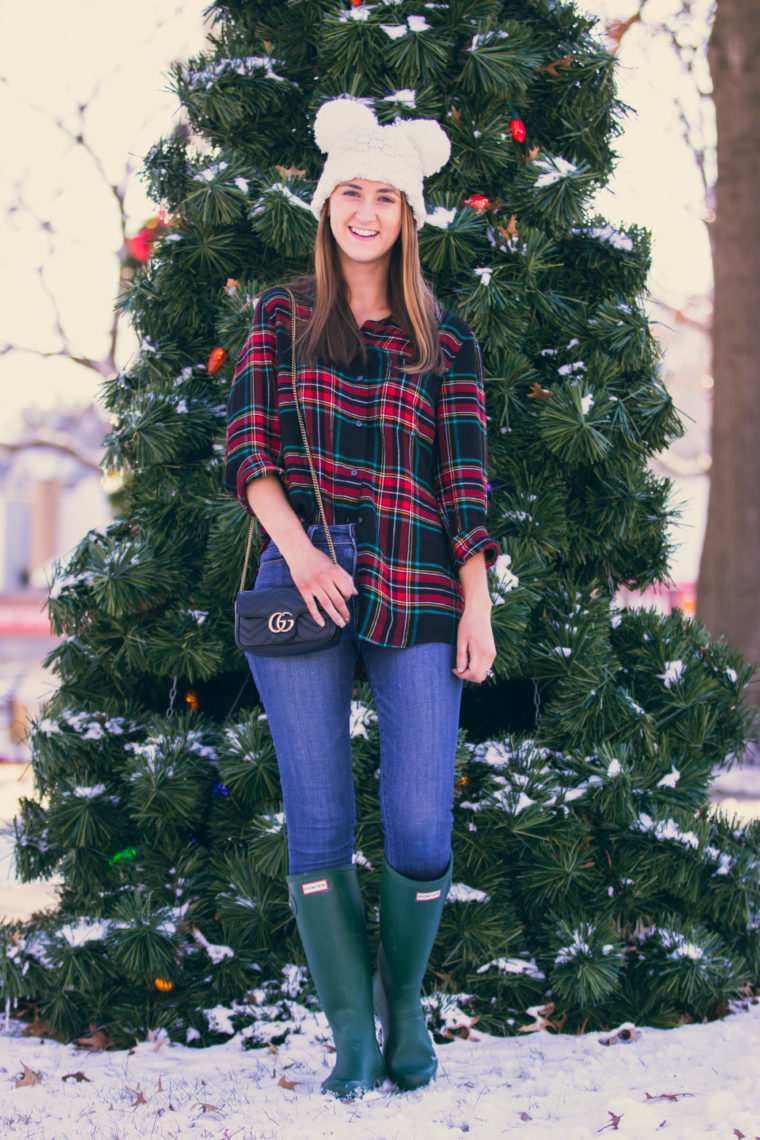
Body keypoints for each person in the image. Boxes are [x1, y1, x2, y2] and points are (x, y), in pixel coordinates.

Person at [225, 98, 498, 1097]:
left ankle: (405, 1002)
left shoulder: (445, 340)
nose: (368, 211)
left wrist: (477, 601)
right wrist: (299, 551)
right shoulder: (280, 316)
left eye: (387, 196)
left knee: (422, 819)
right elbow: (250, 450)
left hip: (421, 578)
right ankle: (351, 1034)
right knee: (321, 823)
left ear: (409, 215)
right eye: (353, 192)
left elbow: (465, 479)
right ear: (326, 202)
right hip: (303, 576)